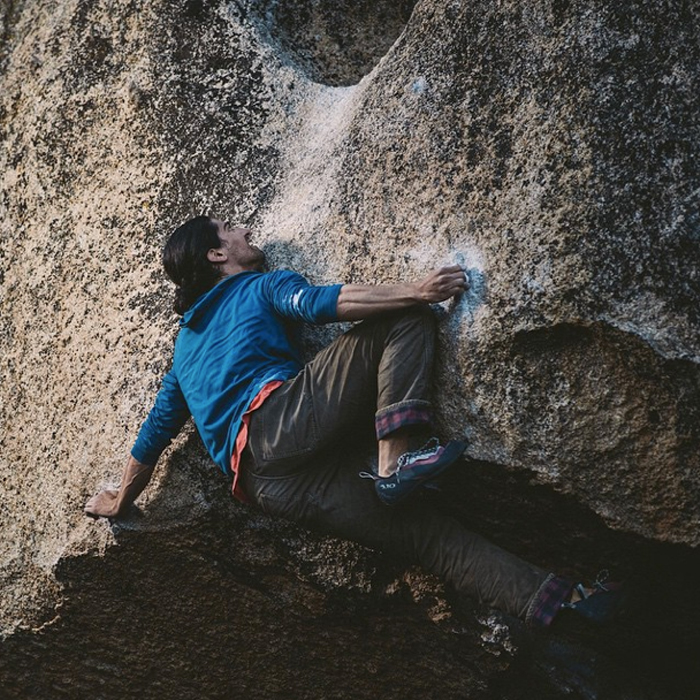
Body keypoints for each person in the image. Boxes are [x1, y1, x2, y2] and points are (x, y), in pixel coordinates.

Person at [85, 215, 623, 627]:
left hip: (267, 486)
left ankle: (564, 603)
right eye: (232, 227)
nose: (246, 229)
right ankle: (395, 460)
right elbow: (323, 303)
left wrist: (121, 500)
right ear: (219, 252)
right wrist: (417, 292)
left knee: (427, 538)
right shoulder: (256, 286)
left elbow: (156, 430)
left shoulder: (184, 349)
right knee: (403, 316)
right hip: (280, 424)